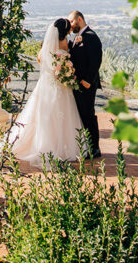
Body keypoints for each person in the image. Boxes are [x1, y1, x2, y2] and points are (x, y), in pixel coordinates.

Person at [6, 17, 83, 164]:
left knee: (44, 113)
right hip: (59, 83)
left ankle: (43, 144)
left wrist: (52, 70)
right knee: (61, 113)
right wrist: (63, 71)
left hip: (47, 81)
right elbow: (64, 59)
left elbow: (40, 58)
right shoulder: (64, 42)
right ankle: (59, 147)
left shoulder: (47, 43)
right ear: (65, 30)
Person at [67, 10, 103, 158]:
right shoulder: (77, 37)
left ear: (79, 19)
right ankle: (87, 146)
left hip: (87, 85)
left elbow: (96, 60)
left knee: (88, 115)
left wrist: (88, 81)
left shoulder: (90, 36)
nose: (70, 25)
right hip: (78, 84)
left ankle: (95, 148)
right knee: (82, 115)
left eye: (71, 22)